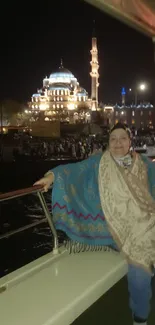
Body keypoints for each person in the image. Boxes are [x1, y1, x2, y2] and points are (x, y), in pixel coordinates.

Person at [34, 122, 155, 325]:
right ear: (108, 143)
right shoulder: (99, 163)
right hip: (115, 229)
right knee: (140, 273)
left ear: (130, 141)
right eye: (113, 139)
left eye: (122, 138)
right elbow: (73, 170)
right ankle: (140, 318)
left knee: (143, 264)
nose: (118, 143)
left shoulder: (143, 163)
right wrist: (51, 176)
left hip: (145, 223)